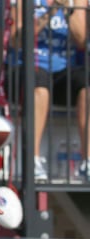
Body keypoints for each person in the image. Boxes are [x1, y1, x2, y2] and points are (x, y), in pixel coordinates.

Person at [8, 0, 89, 181]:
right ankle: (33, 160)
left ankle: (88, 162)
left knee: (87, 86)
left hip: (63, 71)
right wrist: (50, 12)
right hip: (29, 67)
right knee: (39, 86)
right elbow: (17, 40)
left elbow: (81, 39)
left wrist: (68, 9)